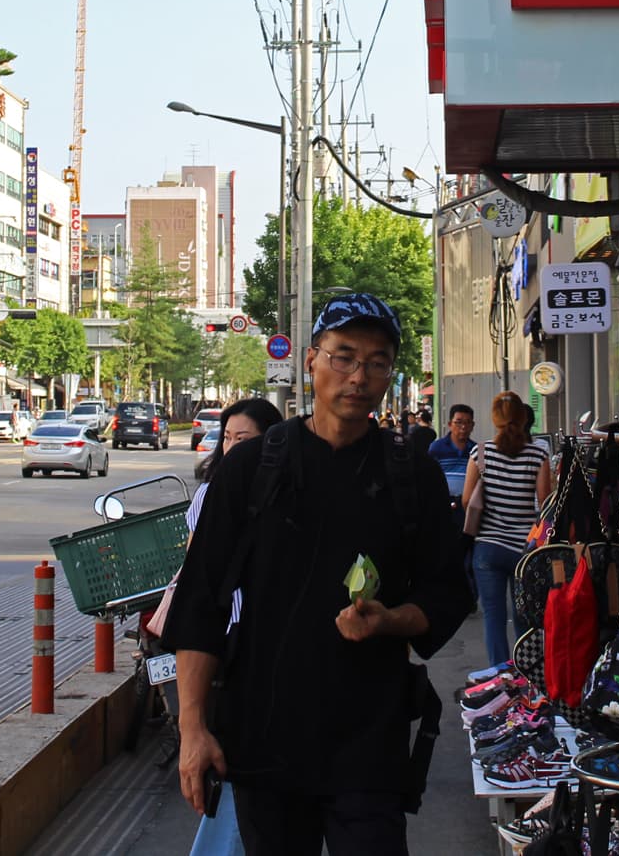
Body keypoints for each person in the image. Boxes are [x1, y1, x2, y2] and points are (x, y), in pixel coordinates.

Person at [165, 293, 470, 855]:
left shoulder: (411, 476)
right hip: (264, 740)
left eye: (377, 362)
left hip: (369, 744)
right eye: (344, 356)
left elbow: (448, 591)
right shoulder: (252, 470)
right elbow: (201, 604)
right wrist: (193, 728)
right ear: (311, 360)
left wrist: (390, 620)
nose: (358, 376)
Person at [180, 398, 280, 856]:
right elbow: (201, 573)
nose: (234, 447)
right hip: (229, 643)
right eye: (228, 438)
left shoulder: (283, 486)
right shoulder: (215, 490)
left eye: (246, 439)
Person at [460, 391, 552, 668]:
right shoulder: (539, 454)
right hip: (525, 550)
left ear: (495, 419)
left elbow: (467, 500)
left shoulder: (481, 453)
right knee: (525, 617)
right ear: (524, 419)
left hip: (487, 548)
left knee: (493, 616)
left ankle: (500, 676)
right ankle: (527, 676)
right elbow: (545, 501)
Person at [428, 404, 477, 500]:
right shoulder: (436, 448)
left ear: (472, 426)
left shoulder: (478, 451)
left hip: (469, 505)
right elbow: (428, 478)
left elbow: (482, 479)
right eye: (458, 422)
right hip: (442, 503)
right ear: (450, 424)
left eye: (468, 422)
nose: (463, 427)